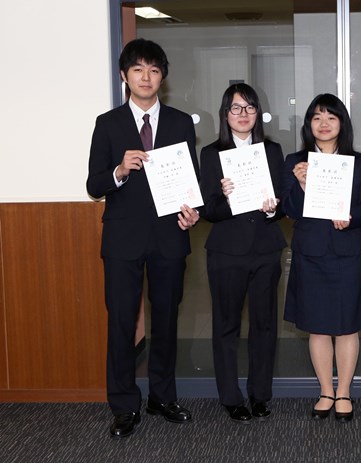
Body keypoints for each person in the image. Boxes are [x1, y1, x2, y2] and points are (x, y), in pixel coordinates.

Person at [87, 38, 199, 438]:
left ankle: (163, 397)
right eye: (138, 70)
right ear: (124, 76)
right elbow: (93, 183)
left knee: (166, 320)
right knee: (120, 322)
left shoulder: (182, 122)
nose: (146, 77)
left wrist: (192, 212)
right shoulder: (108, 123)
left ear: (162, 76)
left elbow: (192, 182)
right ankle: (123, 405)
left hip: (170, 237)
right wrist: (119, 170)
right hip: (122, 240)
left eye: (153, 70)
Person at [281, 94, 361, 423]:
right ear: (309, 124)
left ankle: (344, 392)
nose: (323, 124)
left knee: (347, 326)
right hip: (311, 251)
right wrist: (300, 182)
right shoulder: (295, 161)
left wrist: (352, 217)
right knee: (318, 328)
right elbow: (290, 210)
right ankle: (325, 390)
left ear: (342, 124)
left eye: (331, 118)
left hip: (346, 250)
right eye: (316, 118)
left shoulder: (359, 161)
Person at [199, 83, 287, 423]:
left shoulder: (272, 151)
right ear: (225, 114)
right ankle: (231, 397)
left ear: (258, 114)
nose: (243, 115)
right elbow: (208, 210)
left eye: (250, 108)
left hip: (265, 249)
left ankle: (260, 394)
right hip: (226, 252)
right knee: (226, 326)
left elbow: (281, 204)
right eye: (236, 108)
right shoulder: (210, 154)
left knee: (264, 326)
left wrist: (271, 209)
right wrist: (224, 196)